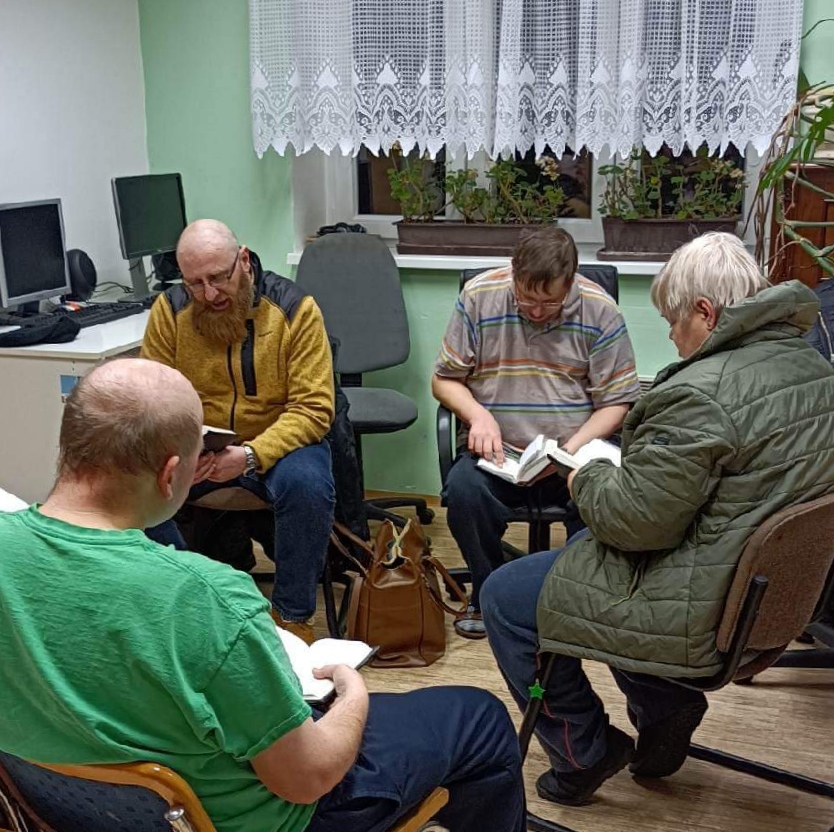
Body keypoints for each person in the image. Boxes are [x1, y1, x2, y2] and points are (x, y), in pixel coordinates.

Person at [0, 358, 526, 832]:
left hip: (58, 809)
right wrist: (354, 695)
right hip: (257, 817)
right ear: (171, 474)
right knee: (478, 717)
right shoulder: (207, 597)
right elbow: (307, 779)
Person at [481, 232, 834, 807]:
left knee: (505, 597)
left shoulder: (703, 393)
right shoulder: (813, 366)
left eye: (673, 320)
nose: (670, 335)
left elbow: (634, 523)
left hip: (700, 607)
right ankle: (664, 704)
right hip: (768, 597)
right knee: (582, 569)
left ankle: (582, 752)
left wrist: (586, 474)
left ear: (705, 312)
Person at [432, 227, 641, 638]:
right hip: (500, 453)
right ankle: (488, 592)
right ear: (514, 273)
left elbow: (617, 402)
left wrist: (568, 452)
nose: (538, 311)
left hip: (575, 453)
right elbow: (444, 380)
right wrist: (478, 416)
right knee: (464, 492)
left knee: (603, 497)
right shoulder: (479, 297)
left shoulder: (600, 310)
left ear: (571, 282)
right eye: (527, 298)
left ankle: (575, 599)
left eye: (551, 302)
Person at [142, 219, 336, 644]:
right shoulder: (170, 311)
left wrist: (249, 456)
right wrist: (184, 450)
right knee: (133, 486)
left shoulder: (295, 309)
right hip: (198, 447)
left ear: (243, 261)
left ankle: (291, 619)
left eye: (218, 278)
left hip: (278, 444)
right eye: (194, 284)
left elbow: (314, 409)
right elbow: (153, 400)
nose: (209, 294)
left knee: (308, 485)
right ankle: (198, 602)